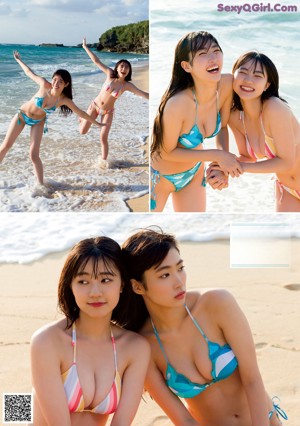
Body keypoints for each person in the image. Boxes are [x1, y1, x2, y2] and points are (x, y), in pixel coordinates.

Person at [120, 228, 288, 426]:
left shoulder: (216, 304)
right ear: (137, 286)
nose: (179, 282)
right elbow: (183, 419)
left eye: (180, 268)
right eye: (165, 275)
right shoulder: (143, 346)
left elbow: (252, 379)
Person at [30, 236, 150, 426]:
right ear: (71, 286)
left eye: (105, 279)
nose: (95, 292)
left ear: (122, 285)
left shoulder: (136, 348)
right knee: (19, 405)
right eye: (83, 282)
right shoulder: (46, 341)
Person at [150, 31, 243, 212]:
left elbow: (223, 127)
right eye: (202, 54)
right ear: (187, 66)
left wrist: (221, 166)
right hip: (160, 178)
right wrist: (216, 156)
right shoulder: (177, 104)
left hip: (193, 174)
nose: (213, 58)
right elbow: (167, 152)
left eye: (216, 51)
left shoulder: (225, 85)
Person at [207, 51, 300, 211]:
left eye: (257, 76)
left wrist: (236, 167)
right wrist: (222, 167)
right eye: (242, 72)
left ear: (267, 85)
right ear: (234, 76)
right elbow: (247, 157)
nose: (248, 80)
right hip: (287, 189)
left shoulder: (274, 108)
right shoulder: (236, 116)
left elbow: (286, 162)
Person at [0, 51, 104, 187]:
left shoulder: (64, 100)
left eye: (60, 81)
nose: (56, 83)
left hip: (38, 122)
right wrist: (19, 60)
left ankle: (40, 186)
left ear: (66, 84)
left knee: (34, 155)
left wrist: (97, 123)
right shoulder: (44, 84)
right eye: (55, 79)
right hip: (22, 116)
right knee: (6, 146)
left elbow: (81, 113)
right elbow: (28, 72)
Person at [80, 38, 149, 167]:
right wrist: (85, 47)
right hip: (94, 106)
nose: (124, 68)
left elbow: (143, 94)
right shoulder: (109, 75)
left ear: (129, 71)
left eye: (127, 67)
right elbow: (96, 61)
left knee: (103, 138)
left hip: (108, 112)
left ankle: (103, 163)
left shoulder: (127, 85)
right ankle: (81, 118)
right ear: (117, 68)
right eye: (122, 66)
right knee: (83, 131)